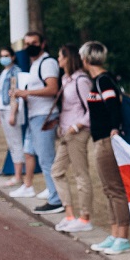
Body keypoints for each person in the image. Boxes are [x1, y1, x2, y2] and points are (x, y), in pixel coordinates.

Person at [80, 41, 130, 254]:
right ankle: (114, 233)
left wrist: (114, 130)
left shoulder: (103, 80)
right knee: (109, 188)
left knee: (115, 189)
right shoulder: (101, 80)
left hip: (107, 140)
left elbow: (113, 107)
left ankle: (123, 236)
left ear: (86, 59)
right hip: (101, 140)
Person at [12, 31, 63, 214]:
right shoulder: (35, 64)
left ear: (42, 44)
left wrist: (26, 93)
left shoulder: (47, 63)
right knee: (40, 156)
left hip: (44, 115)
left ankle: (56, 199)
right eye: (26, 44)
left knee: (47, 159)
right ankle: (53, 194)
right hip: (35, 115)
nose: (29, 46)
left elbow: (52, 88)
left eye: (33, 43)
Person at [51, 45, 95, 234]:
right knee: (57, 171)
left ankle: (85, 217)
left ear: (67, 58)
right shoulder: (65, 80)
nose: (58, 61)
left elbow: (92, 109)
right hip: (65, 132)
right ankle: (69, 214)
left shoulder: (82, 80)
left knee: (80, 174)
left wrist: (76, 126)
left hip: (78, 131)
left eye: (60, 57)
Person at [0, 47, 27, 190]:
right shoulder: (3, 73)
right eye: (2, 55)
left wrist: (13, 113)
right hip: (2, 108)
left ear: (13, 57)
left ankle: (18, 175)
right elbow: (0, 93)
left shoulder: (16, 72)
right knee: (11, 143)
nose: (4, 58)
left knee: (16, 142)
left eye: (6, 55)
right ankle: (16, 173)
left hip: (10, 109)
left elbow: (16, 94)